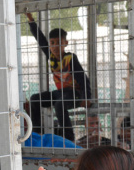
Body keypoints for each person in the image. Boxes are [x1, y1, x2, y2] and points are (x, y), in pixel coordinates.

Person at [26, 13, 91, 142]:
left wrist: (86, 98)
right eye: (52, 43)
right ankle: (37, 134)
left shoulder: (70, 58)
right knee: (35, 99)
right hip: (61, 93)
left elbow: (83, 78)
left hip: (74, 93)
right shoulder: (51, 57)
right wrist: (31, 21)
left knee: (59, 105)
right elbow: (40, 39)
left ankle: (69, 139)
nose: (55, 46)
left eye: (59, 43)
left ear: (65, 43)